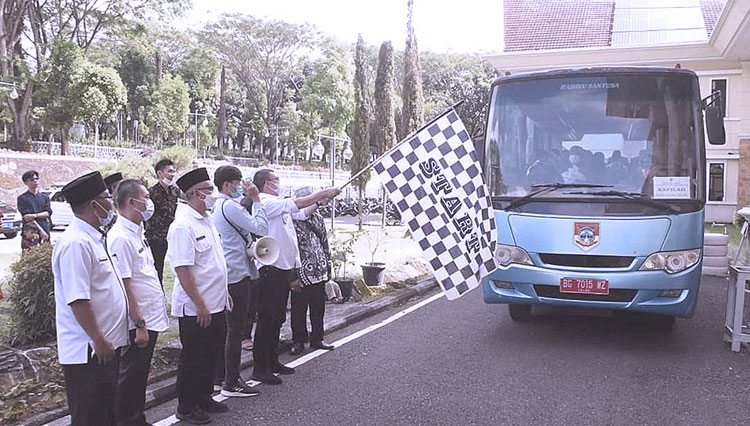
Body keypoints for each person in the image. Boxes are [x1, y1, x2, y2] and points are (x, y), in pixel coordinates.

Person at [51, 171, 129, 426]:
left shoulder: (94, 237)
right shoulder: (76, 243)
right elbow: (78, 300)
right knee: (90, 417)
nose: (111, 201)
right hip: (89, 351)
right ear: (94, 203)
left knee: (106, 415)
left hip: (104, 347)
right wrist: (99, 339)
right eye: (107, 196)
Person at [250, 169, 340, 385]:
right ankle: (260, 367)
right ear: (266, 184)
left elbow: (300, 213)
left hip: (283, 269)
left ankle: (272, 361)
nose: (278, 183)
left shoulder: (276, 203)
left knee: (277, 318)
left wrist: (320, 202)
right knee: (267, 318)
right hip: (269, 269)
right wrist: (321, 193)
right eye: (275, 180)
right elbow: (297, 205)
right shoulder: (264, 202)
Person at [167, 168, 230, 424]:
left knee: (211, 353)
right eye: (208, 189)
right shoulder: (183, 225)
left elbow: (214, 262)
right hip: (196, 307)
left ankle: (204, 397)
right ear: (194, 193)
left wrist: (224, 295)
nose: (212, 194)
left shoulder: (206, 219)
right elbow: (183, 269)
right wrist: (200, 304)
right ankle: (186, 405)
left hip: (216, 301)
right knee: (193, 356)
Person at [108, 179, 169, 426]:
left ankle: (137, 418)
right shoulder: (121, 237)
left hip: (149, 316)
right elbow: (126, 285)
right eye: (146, 196)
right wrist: (139, 324)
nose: (149, 201)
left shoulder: (137, 231)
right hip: (138, 319)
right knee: (131, 375)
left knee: (139, 375)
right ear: (132, 202)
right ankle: (127, 420)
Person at [210, 165, 268, 398]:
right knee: (235, 329)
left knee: (228, 328)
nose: (240, 187)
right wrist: (256, 199)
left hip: (231, 271)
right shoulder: (230, 206)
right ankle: (231, 381)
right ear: (227, 185)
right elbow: (260, 227)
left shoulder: (219, 206)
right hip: (237, 273)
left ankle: (220, 377)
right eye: (237, 183)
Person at [289, 186, 335, 356]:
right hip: (301, 271)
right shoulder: (292, 218)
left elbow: (324, 241)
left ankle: (318, 337)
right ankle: (298, 340)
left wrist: (328, 264)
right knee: (298, 308)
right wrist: (292, 274)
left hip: (318, 268)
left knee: (318, 307)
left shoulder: (317, 218)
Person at [145, 159, 179, 285]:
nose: (172, 174)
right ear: (160, 173)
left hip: (170, 236)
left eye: (174, 171)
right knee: (157, 269)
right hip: (155, 237)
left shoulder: (174, 191)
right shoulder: (151, 193)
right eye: (169, 171)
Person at [17, 169, 53, 240]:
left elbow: (48, 213)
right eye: (32, 179)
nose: (35, 181)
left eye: (36, 179)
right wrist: (40, 230)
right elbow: (27, 217)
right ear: (26, 182)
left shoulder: (45, 197)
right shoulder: (22, 198)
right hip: (30, 232)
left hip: (45, 228)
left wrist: (34, 215)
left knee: (45, 250)